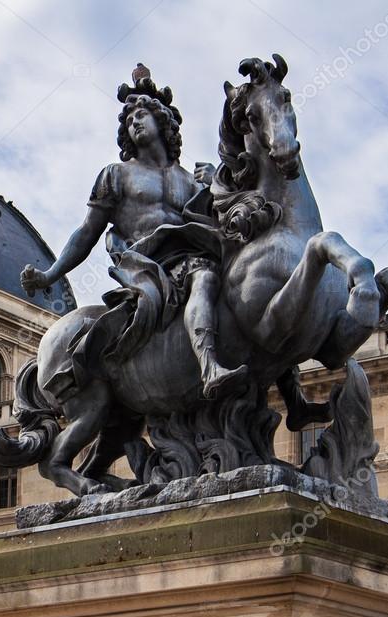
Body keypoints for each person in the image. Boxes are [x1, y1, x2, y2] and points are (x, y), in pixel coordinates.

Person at [21, 64, 246, 399]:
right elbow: (87, 232)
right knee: (205, 277)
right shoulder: (117, 175)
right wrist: (50, 274)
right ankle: (208, 364)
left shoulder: (192, 179)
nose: (134, 122)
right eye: (129, 120)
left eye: (141, 115)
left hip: (190, 253)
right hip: (147, 264)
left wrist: (219, 182)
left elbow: (228, 224)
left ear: (162, 122)